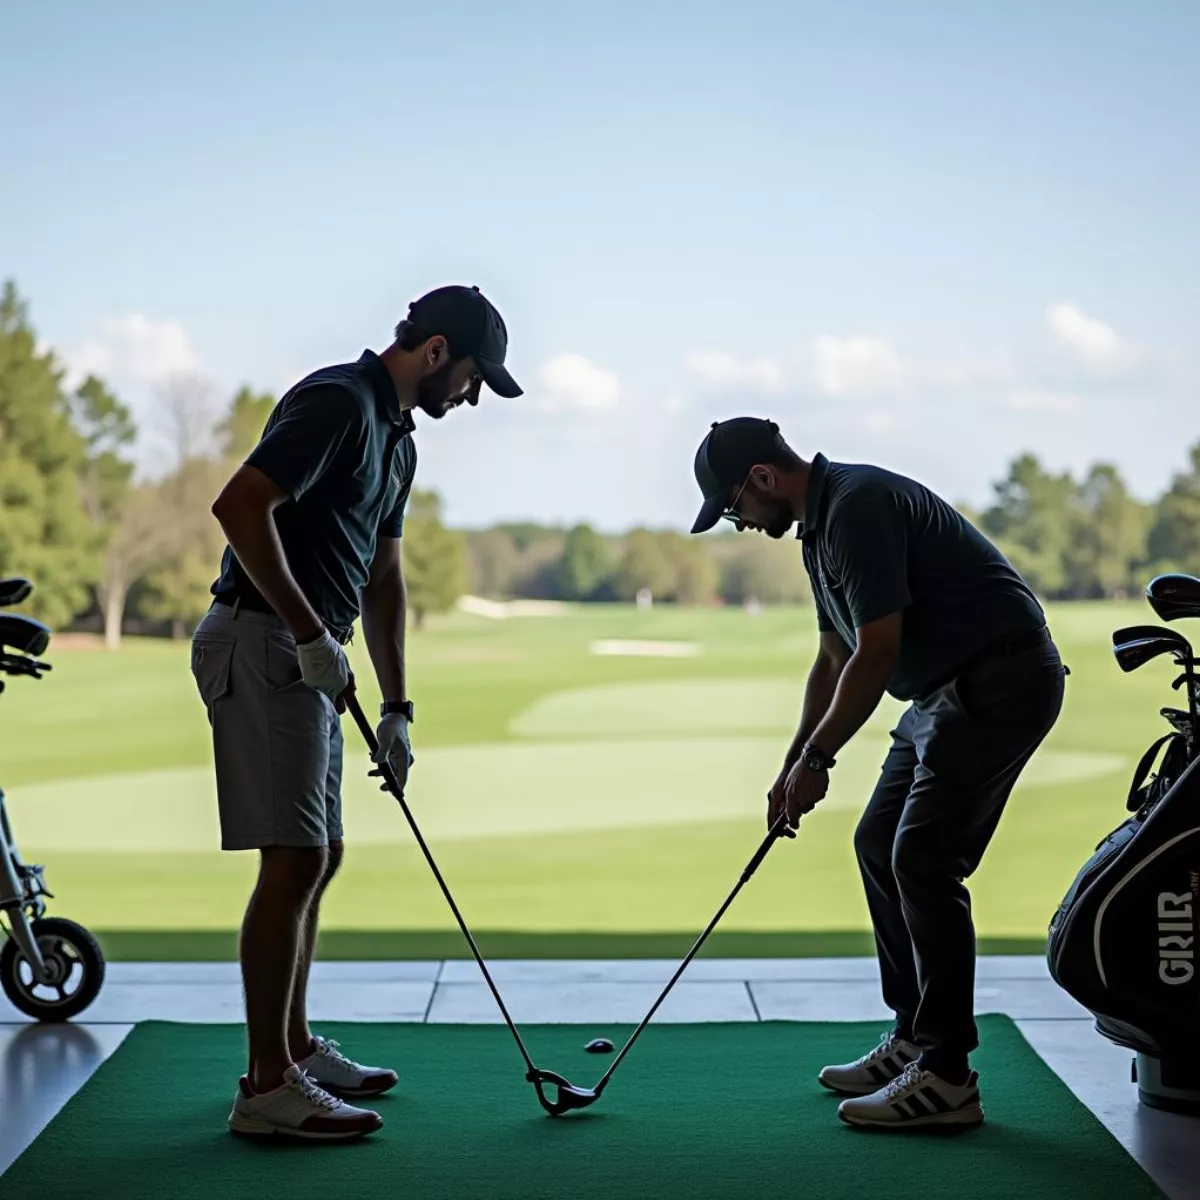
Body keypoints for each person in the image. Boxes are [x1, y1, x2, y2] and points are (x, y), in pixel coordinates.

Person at [190, 284, 522, 1141]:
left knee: (321, 853)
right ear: (439, 350)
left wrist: (398, 704)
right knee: (294, 860)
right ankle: (266, 1088)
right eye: (477, 376)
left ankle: (294, 1047)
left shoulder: (399, 442)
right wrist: (308, 634)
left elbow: (382, 580)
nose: (475, 396)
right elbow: (238, 507)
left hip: (308, 654)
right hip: (264, 640)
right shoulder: (338, 401)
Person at [689, 416, 1068, 1130]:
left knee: (924, 861)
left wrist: (821, 760)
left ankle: (948, 1074)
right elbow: (832, 657)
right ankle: (912, 1040)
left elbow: (876, 653)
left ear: (763, 479)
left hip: (1001, 678)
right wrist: (790, 765)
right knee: (877, 845)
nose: (738, 524)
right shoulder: (816, 528)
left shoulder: (857, 504)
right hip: (941, 694)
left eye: (735, 508)